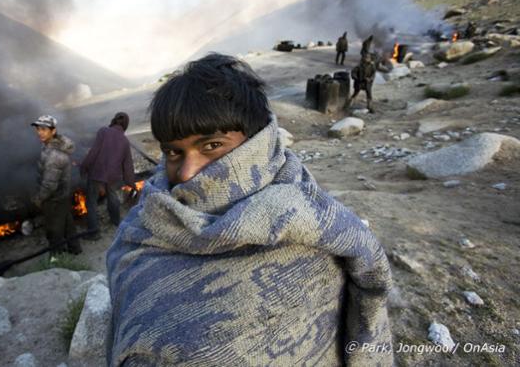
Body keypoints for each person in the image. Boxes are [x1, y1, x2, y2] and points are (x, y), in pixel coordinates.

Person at [106, 53, 393, 366]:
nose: (187, 173)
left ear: (257, 143)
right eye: (174, 152)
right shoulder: (143, 232)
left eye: (211, 145)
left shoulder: (317, 227)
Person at [80, 112, 136, 240]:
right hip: (113, 176)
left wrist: (84, 167)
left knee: (91, 202)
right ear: (125, 125)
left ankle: (94, 233)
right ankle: (116, 221)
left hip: (96, 173)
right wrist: (131, 182)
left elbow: (93, 152)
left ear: (114, 121)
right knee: (113, 198)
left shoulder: (103, 131)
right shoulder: (125, 141)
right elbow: (128, 165)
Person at [30, 115, 81, 255]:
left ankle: (57, 258)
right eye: (38, 129)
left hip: (55, 198)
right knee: (68, 224)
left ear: (53, 131)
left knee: (53, 231)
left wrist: (39, 198)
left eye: (44, 129)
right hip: (62, 195)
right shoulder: (50, 146)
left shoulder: (55, 156)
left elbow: (49, 185)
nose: (40, 132)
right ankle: (75, 249)